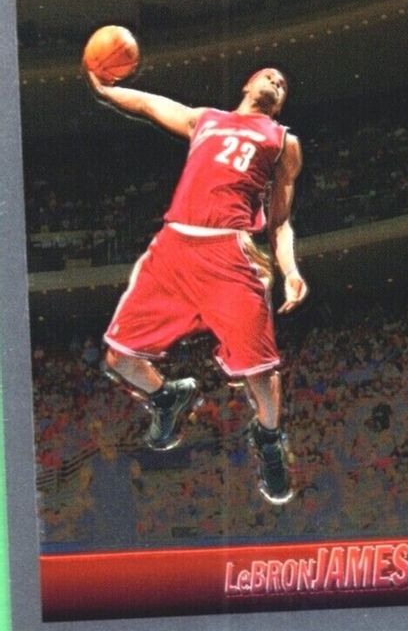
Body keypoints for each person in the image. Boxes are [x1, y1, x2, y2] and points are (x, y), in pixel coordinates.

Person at [84, 63, 308, 505]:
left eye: (283, 84)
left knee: (260, 371)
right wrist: (107, 90)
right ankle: (166, 397)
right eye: (269, 76)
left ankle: (268, 439)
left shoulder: (283, 142)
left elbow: (280, 222)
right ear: (247, 83)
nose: (276, 83)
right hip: (173, 248)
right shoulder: (205, 118)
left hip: (229, 253)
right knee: (119, 358)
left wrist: (291, 271)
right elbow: (149, 103)